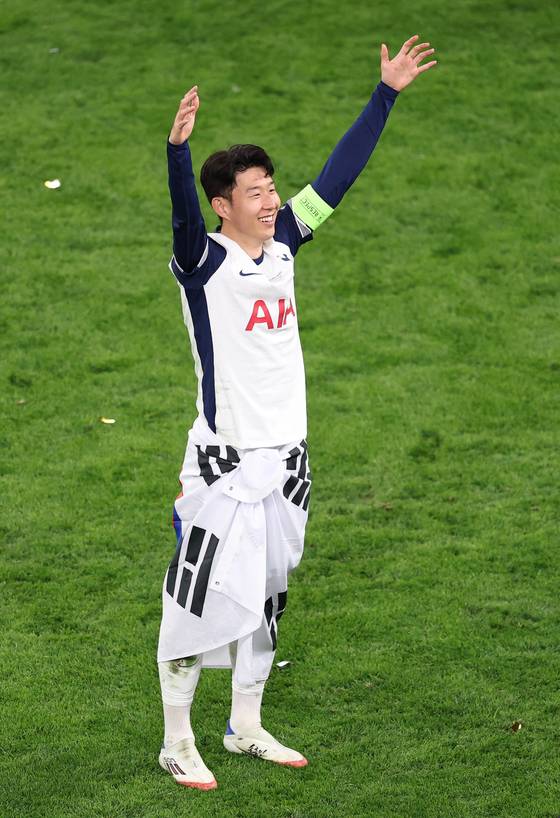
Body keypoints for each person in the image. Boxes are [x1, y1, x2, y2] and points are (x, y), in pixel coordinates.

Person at [157, 34, 437, 790]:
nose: (271, 197)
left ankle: (244, 724)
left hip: (289, 458)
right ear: (224, 206)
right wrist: (178, 154)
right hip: (223, 462)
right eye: (254, 191)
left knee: (270, 596)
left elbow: (337, 179)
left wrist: (385, 96)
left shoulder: (283, 241)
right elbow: (184, 218)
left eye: (270, 186)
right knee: (194, 600)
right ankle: (176, 741)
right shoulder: (203, 261)